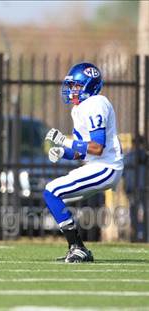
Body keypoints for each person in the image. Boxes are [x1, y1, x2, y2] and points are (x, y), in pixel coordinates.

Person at [44, 62, 123, 263]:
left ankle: (78, 247)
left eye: (76, 86)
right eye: (71, 86)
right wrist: (63, 152)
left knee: (52, 191)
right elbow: (83, 152)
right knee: (52, 194)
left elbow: (97, 147)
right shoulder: (79, 109)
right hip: (96, 165)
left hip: (107, 166)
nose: (71, 91)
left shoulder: (96, 103)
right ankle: (77, 247)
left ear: (89, 86)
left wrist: (65, 141)